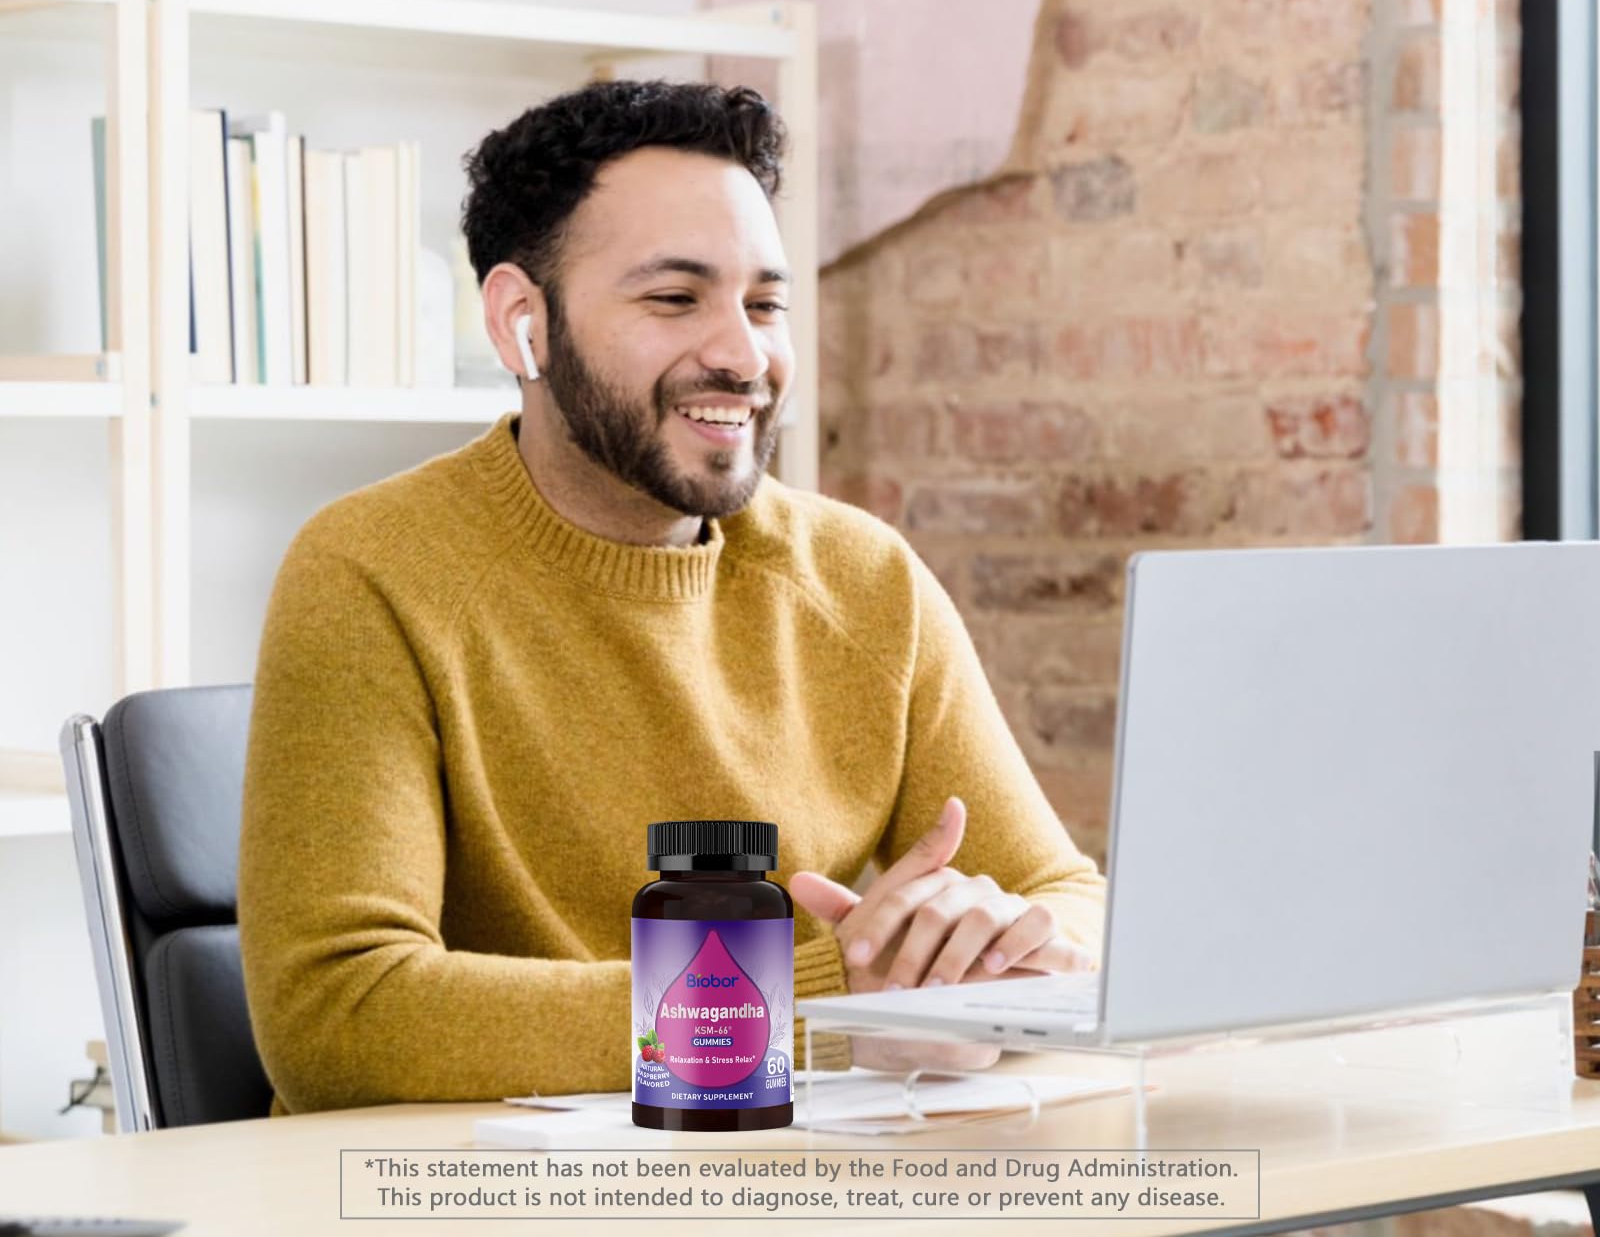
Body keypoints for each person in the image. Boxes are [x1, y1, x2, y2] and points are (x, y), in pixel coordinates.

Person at [238, 79, 1104, 1113]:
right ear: (524, 323)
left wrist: (994, 950)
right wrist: (820, 1001)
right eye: (673, 298)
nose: (743, 355)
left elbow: (1070, 904)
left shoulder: (863, 579)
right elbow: (340, 1018)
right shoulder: (369, 570)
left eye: (766, 303)